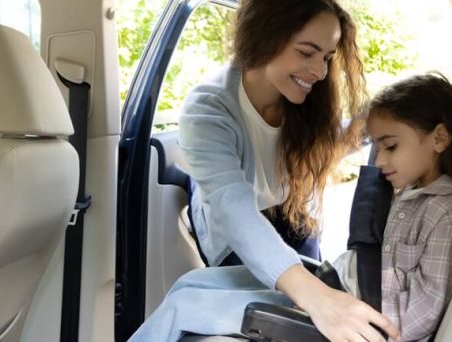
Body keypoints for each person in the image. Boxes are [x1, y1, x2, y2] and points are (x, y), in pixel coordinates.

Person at [129, 0, 399, 341]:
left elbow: (339, 139)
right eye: (306, 53)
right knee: (239, 304)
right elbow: (234, 209)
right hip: (237, 235)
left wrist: (394, 122)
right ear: (265, 36)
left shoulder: (306, 104)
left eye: (327, 58)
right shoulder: (208, 110)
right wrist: (319, 299)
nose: (320, 72)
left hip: (291, 213)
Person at [343, 73, 452, 341]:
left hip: (374, 327)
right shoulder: (408, 192)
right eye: (376, 148)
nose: (378, 161)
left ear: (439, 139)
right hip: (353, 300)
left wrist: (353, 317)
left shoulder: (448, 213)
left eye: (390, 146)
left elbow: (424, 310)